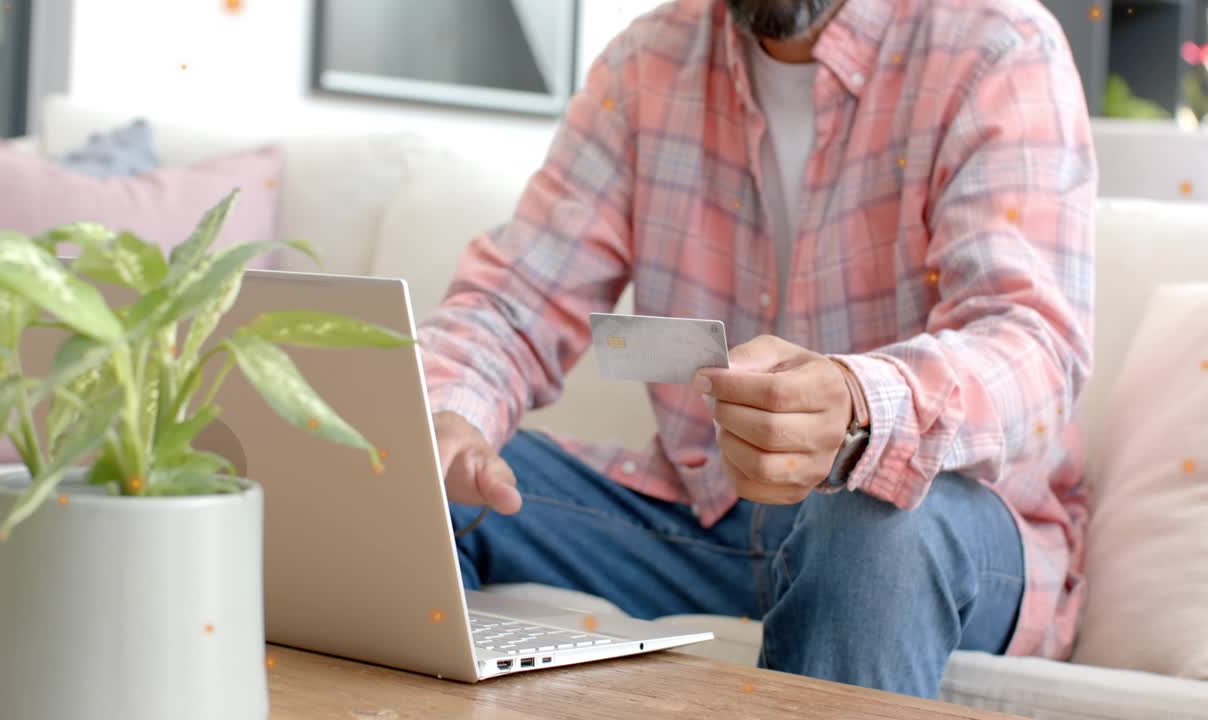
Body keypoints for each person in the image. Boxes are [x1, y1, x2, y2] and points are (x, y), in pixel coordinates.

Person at [418, 0, 1095, 698]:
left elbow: (1032, 343)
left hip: (935, 530)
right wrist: (447, 414)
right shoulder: (647, 61)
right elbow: (516, 299)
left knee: (869, 524)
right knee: (409, 482)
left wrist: (860, 408)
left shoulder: (997, 46)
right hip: (705, 515)